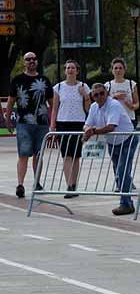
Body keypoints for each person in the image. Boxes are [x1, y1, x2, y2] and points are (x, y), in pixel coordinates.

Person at [82, 83, 137, 215]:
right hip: (112, 142)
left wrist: (92, 131)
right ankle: (128, 200)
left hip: (127, 139)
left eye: (102, 93)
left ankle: (125, 204)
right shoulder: (94, 107)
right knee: (119, 172)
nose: (99, 97)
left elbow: (111, 126)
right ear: (92, 96)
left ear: (106, 93)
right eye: (96, 95)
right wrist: (88, 130)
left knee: (122, 171)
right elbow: (87, 124)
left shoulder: (114, 105)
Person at [5, 51, 53, 198]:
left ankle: (37, 182)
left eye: (34, 59)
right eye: (28, 59)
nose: (31, 61)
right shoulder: (17, 80)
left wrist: (53, 122)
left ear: (37, 62)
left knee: (38, 154)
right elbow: (11, 100)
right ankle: (20, 184)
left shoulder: (44, 80)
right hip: (24, 123)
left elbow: (52, 103)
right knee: (24, 154)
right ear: (24, 62)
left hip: (42, 123)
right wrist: (7, 119)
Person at [50, 60, 91, 198]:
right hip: (63, 123)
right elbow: (54, 108)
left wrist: (85, 96)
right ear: (65, 70)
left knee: (76, 155)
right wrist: (52, 126)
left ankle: (74, 184)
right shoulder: (59, 87)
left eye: (73, 68)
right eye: (68, 68)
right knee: (66, 155)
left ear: (77, 71)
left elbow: (88, 109)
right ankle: (69, 185)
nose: (70, 70)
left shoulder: (84, 86)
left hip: (78, 122)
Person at [106, 57, 140, 128]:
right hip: (114, 120)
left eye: (120, 68)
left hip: (129, 118)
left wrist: (132, 106)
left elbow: (137, 103)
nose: (118, 70)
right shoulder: (107, 85)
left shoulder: (132, 84)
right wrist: (114, 97)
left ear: (124, 70)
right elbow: (104, 103)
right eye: (115, 68)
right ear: (112, 70)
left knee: (131, 138)